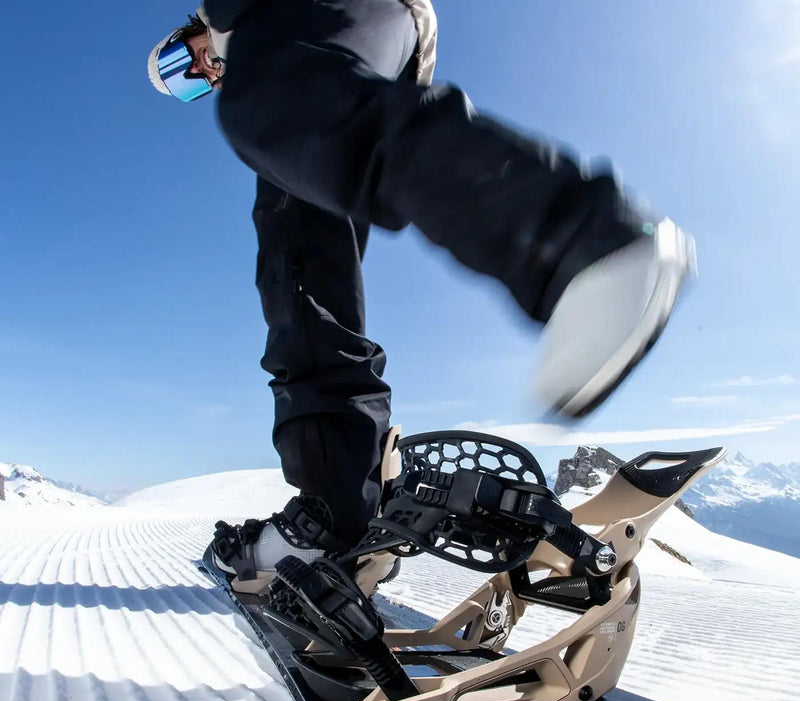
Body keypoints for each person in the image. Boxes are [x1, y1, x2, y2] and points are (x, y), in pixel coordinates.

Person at [147, 0, 696, 588]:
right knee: (297, 268)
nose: (200, 72)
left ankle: (581, 246)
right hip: (352, 53)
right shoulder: (274, 63)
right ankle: (337, 512)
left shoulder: (247, 37)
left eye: (181, 59)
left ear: (191, 29)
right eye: (187, 87)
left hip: (325, 18)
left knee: (267, 107)